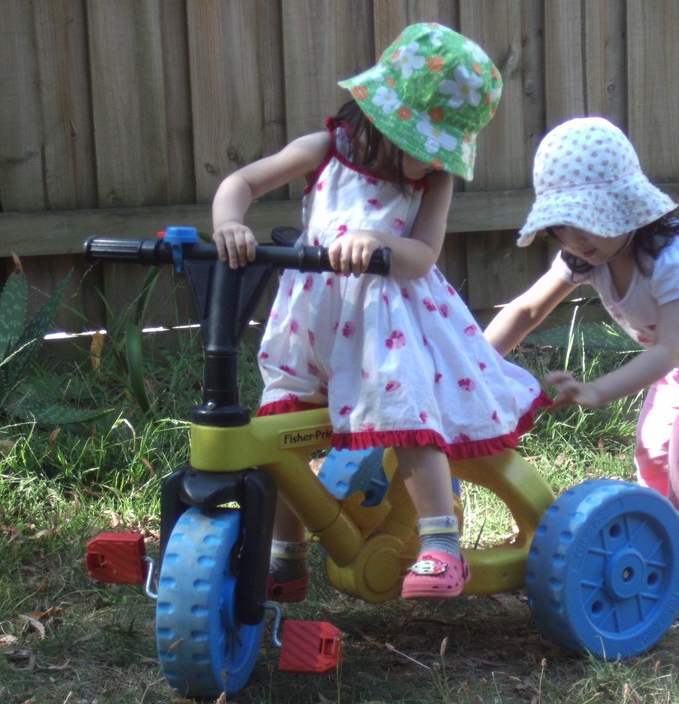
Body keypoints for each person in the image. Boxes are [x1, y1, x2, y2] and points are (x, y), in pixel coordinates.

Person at [212, 23, 549, 601]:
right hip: (311, 320)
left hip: (387, 326)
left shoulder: (432, 184)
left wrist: (378, 243)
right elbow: (241, 182)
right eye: (424, 147)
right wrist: (229, 222)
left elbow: (422, 257)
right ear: (384, 123)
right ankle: (284, 561)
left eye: (439, 153)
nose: (431, 162)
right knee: (278, 436)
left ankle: (441, 546)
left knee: (407, 414)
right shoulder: (324, 150)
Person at [484, 117, 679, 600]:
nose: (576, 237)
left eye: (589, 221)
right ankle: (665, 530)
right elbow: (527, 309)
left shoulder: (672, 258)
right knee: (653, 446)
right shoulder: (583, 258)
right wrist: (474, 366)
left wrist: (598, 390)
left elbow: (668, 350)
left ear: (627, 207)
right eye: (561, 226)